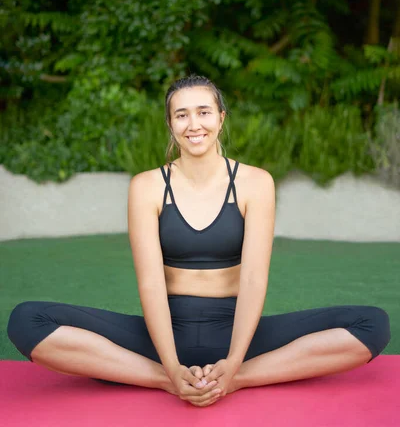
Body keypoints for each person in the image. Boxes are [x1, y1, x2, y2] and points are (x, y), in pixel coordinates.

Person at [7, 75, 391, 408]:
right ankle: (161, 380)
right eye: (182, 114)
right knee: (27, 321)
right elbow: (151, 282)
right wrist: (171, 368)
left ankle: (236, 381)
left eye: (204, 112)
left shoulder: (256, 183)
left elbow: (255, 279)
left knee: (372, 325)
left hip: (239, 330)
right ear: (170, 124)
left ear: (221, 119)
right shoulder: (147, 186)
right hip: (162, 335)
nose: (195, 124)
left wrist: (235, 364)